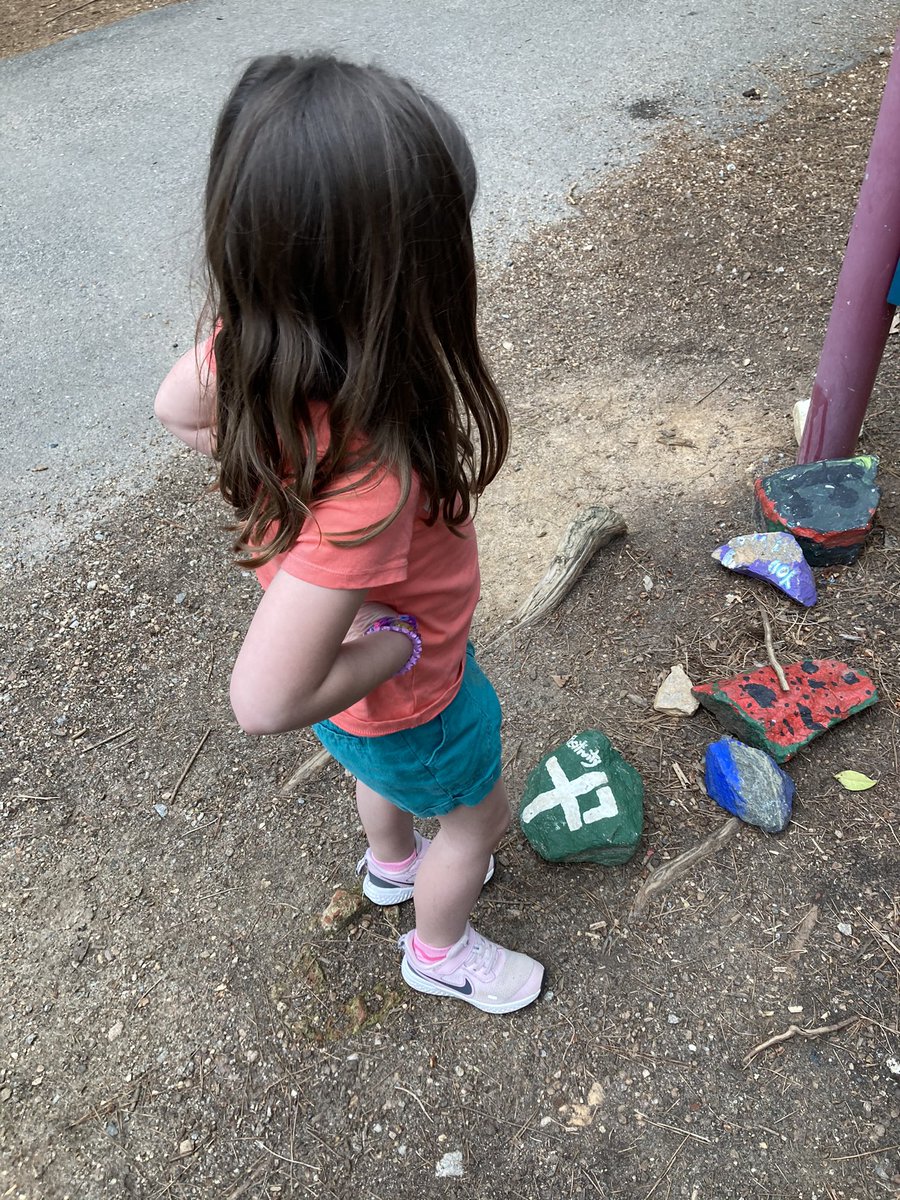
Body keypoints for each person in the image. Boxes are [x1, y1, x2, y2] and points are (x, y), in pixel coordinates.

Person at [154, 54, 544, 1013]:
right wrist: (395, 642)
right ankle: (440, 949)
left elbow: (175, 405)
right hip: (413, 693)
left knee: (383, 774)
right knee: (481, 819)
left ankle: (389, 863)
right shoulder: (369, 481)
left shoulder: (250, 350)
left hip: (361, 709)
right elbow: (260, 699)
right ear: (399, 283)